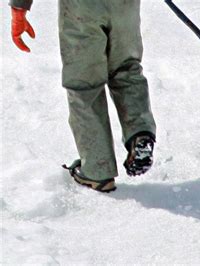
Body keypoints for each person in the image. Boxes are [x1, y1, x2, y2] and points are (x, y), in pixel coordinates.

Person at [9, 0, 157, 193]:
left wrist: (19, 8)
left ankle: (97, 169)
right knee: (127, 70)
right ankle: (140, 133)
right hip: (125, 6)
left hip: (82, 8)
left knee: (84, 84)